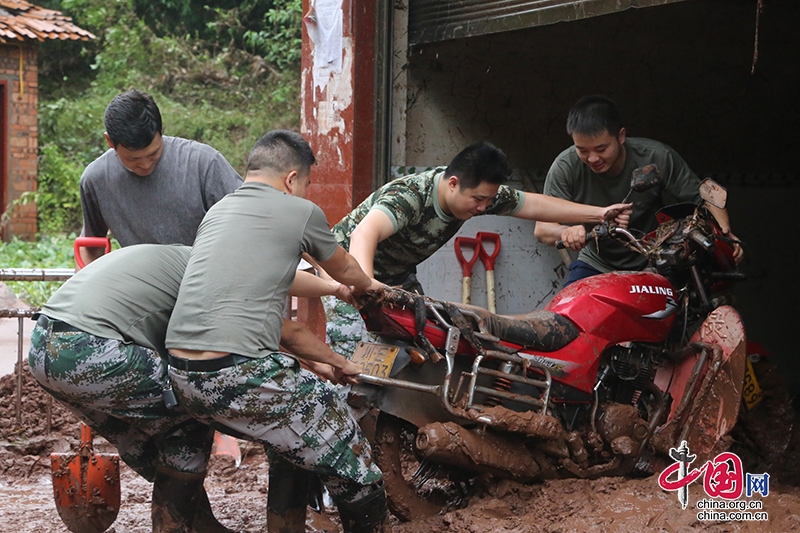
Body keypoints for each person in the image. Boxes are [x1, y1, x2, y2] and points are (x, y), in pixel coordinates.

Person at [28, 243, 355, 533]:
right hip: (94, 347)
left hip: (45, 348)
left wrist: (334, 288)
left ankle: (200, 524)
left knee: (139, 437)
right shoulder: (212, 279)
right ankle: (180, 527)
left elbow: (277, 283)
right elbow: (284, 333)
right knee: (189, 417)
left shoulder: (193, 261)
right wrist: (331, 361)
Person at [165, 130, 389, 533]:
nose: (303, 192)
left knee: (289, 436)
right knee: (348, 449)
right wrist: (373, 289)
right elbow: (348, 270)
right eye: (304, 184)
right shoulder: (298, 212)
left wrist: (333, 291)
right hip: (237, 371)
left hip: (182, 375)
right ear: (291, 179)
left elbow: (283, 281)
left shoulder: (218, 213)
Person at [324, 140, 631, 357]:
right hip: (346, 272)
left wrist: (599, 213)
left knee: (423, 344)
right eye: (478, 201)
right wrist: (366, 287)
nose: (484, 207)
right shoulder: (411, 196)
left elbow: (533, 203)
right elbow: (364, 234)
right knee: (356, 355)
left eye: (488, 200)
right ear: (453, 183)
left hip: (397, 276)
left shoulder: (479, 192)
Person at [534, 95, 743, 286]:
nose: (593, 159)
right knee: (568, 319)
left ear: (621, 136)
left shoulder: (657, 157)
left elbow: (709, 193)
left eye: (601, 149)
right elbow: (542, 228)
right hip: (597, 263)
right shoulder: (565, 166)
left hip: (653, 262)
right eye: (582, 150)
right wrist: (566, 232)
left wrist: (725, 232)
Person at [78, 89, 243, 265]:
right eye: (133, 159)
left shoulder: (203, 163)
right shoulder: (97, 179)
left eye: (153, 154)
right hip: (144, 284)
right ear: (110, 142)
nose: (145, 165)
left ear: (161, 131)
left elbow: (249, 218)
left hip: (206, 277)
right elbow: (90, 246)